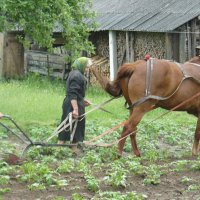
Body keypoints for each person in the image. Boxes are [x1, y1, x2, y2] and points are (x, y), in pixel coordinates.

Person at [57, 57, 92, 153]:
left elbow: (76, 94)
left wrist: (82, 101)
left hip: (73, 102)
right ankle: (61, 147)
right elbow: (72, 93)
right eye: (87, 67)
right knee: (67, 125)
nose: (87, 69)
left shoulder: (76, 74)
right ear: (81, 65)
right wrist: (76, 109)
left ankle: (72, 147)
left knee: (76, 126)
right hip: (71, 105)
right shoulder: (77, 75)